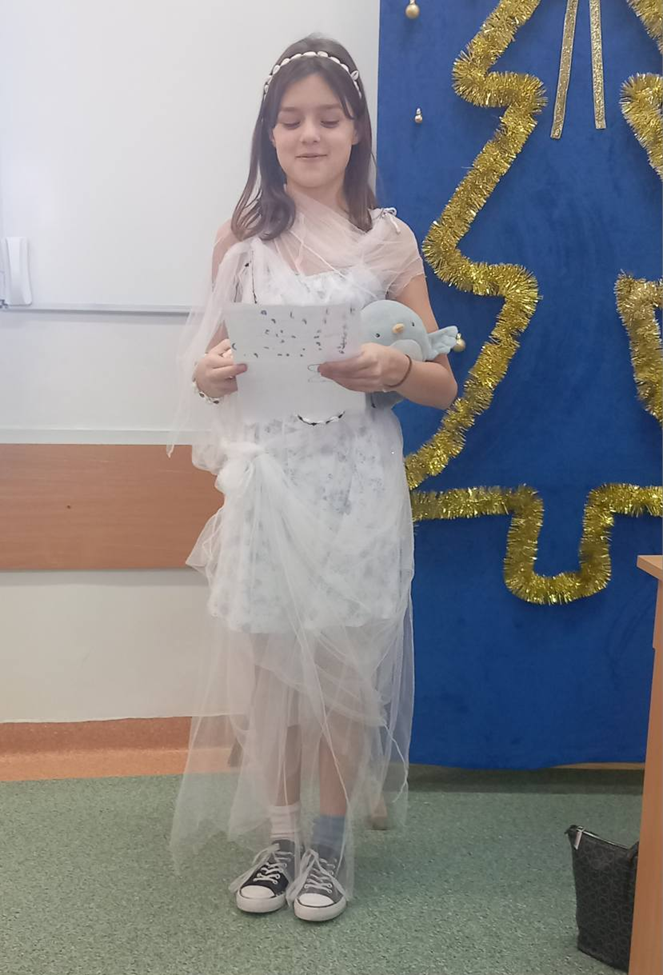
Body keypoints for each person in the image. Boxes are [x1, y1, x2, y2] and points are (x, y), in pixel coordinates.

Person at [166, 34, 457, 924]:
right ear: (269, 133)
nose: (309, 135)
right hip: (268, 481)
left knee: (339, 668)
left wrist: (394, 367)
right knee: (267, 671)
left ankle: (329, 845)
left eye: (328, 118)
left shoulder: (388, 241)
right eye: (291, 120)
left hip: (354, 483)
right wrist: (209, 375)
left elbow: (442, 381)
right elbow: (211, 364)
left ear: (357, 129)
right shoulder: (241, 242)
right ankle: (281, 836)